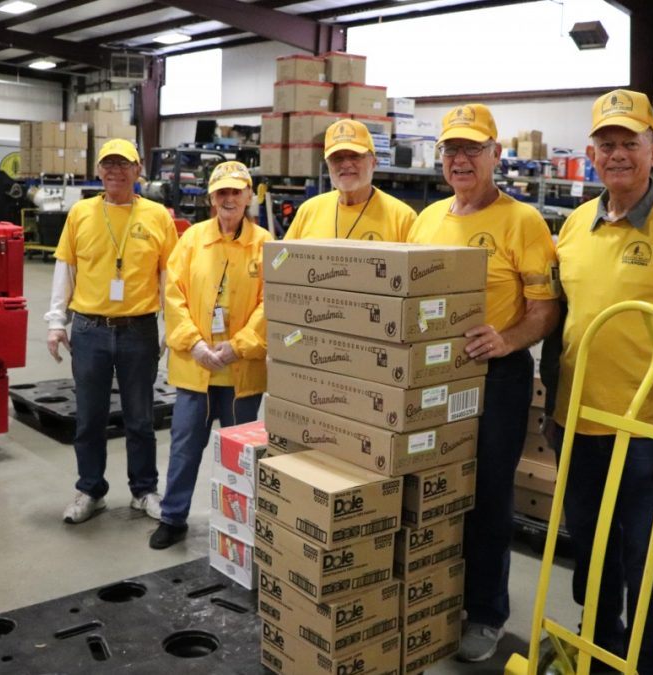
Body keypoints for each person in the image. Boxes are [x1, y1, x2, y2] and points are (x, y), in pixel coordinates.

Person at [539, 89, 653, 674]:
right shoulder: (571, 227)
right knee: (590, 556)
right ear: (592, 153)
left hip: (650, 436)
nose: (618, 154)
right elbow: (559, 327)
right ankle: (595, 647)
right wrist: (553, 408)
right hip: (580, 425)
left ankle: (645, 662)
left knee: (648, 565)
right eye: (607, 144)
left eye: (630, 143)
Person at [407, 103, 561, 662]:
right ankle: (437, 596)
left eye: (473, 149)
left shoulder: (522, 222)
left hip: (496, 376)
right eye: (452, 150)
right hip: (432, 377)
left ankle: (487, 610)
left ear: (496, 155)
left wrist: (510, 338)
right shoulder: (426, 220)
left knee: (488, 493)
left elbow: (545, 307)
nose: (461, 160)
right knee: (433, 486)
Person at [46, 138, 178, 524]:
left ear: (139, 171)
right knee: (90, 418)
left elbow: (169, 275)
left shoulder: (157, 216)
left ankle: (144, 490)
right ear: (99, 171)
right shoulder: (81, 214)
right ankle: (91, 490)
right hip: (89, 330)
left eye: (124, 164)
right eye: (109, 164)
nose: (116, 171)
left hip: (139, 330)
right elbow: (65, 269)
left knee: (140, 418)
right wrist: (57, 322)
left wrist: (171, 326)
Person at [150, 161, 272, 550]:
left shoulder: (266, 244)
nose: (229, 199)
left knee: (241, 456)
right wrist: (195, 344)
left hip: (242, 376)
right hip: (195, 371)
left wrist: (239, 346)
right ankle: (173, 517)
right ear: (210, 199)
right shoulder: (191, 241)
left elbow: (271, 305)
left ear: (249, 195)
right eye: (222, 193)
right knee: (184, 449)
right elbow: (173, 297)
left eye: (237, 192)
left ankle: (241, 523)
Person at [283, 118, 415, 241]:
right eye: (337, 158)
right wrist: (273, 263)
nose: (346, 164)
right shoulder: (308, 211)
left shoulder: (402, 218)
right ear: (327, 165)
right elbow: (280, 259)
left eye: (354, 156)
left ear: (373, 162)